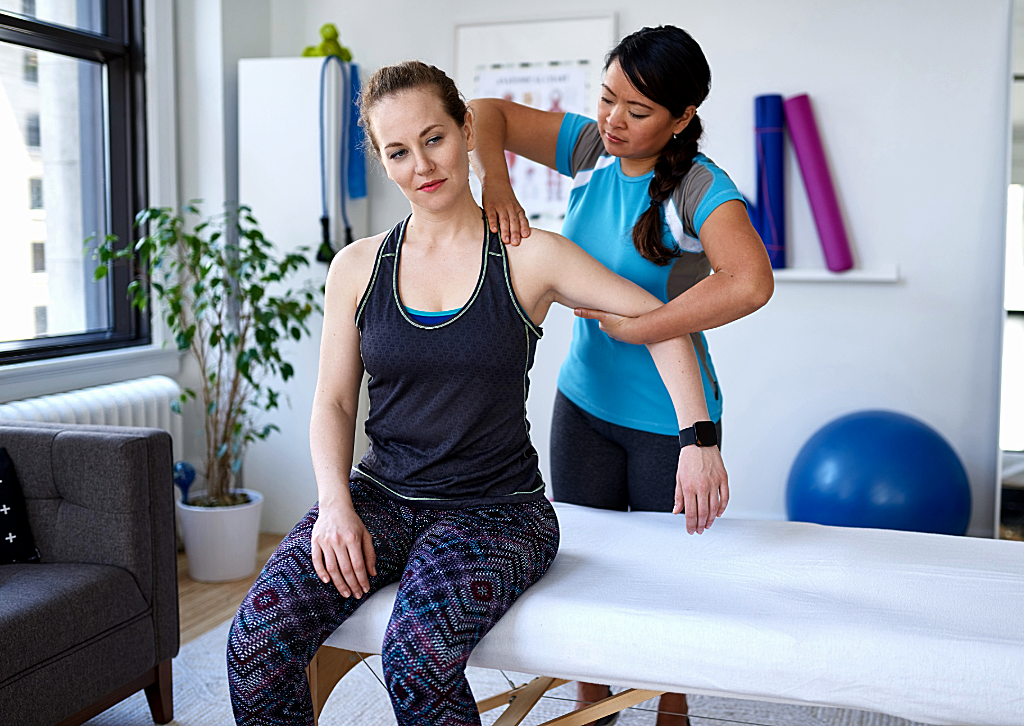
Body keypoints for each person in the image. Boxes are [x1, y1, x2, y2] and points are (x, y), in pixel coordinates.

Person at [226, 60, 727, 726]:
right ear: (382, 161)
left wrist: (698, 438)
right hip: (381, 497)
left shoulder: (529, 255)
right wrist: (333, 505)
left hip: (496, 513)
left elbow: (662, 327)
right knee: (254, 643)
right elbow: (335, 403)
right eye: (398, 151)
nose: (422, 165)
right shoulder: (356, 266)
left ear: (466, 130)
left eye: (433, 138)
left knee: (418, 658)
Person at [469, 26, 774, 726]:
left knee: (664, 583)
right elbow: (484, 112)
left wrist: (645, 326)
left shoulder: (700, 187)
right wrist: (496, 177)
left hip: (667, 416)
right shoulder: (588, 148)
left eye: (636, 112)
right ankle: (591, 703)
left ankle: (672, 703)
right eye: (606, 99)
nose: (613, 121)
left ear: (682, 117)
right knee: (582, 569)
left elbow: (751, 282)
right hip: (584, 402)